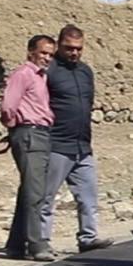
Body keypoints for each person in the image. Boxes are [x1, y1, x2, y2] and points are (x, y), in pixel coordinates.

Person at [39, 24, 111, 253]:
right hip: (57, 144)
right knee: (46, 198)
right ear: (59, 45)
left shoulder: (85, 71)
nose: (74, 53)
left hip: (83, 145)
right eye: (69, 48)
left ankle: (88, 238)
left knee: (88, 196)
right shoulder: (49, 71)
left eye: (78, 49)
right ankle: (41, 241)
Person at [0, 34, 56, 261]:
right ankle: (36, 245)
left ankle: (15, 244)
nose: (47, 58)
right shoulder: (24, 74)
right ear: (31, 51)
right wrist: (14, 127)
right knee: (35, 193)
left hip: (40, 134)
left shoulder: (41, 77)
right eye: (43, 53)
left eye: (50, 54)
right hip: (30, 133)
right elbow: (8, 106)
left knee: (29, 191)